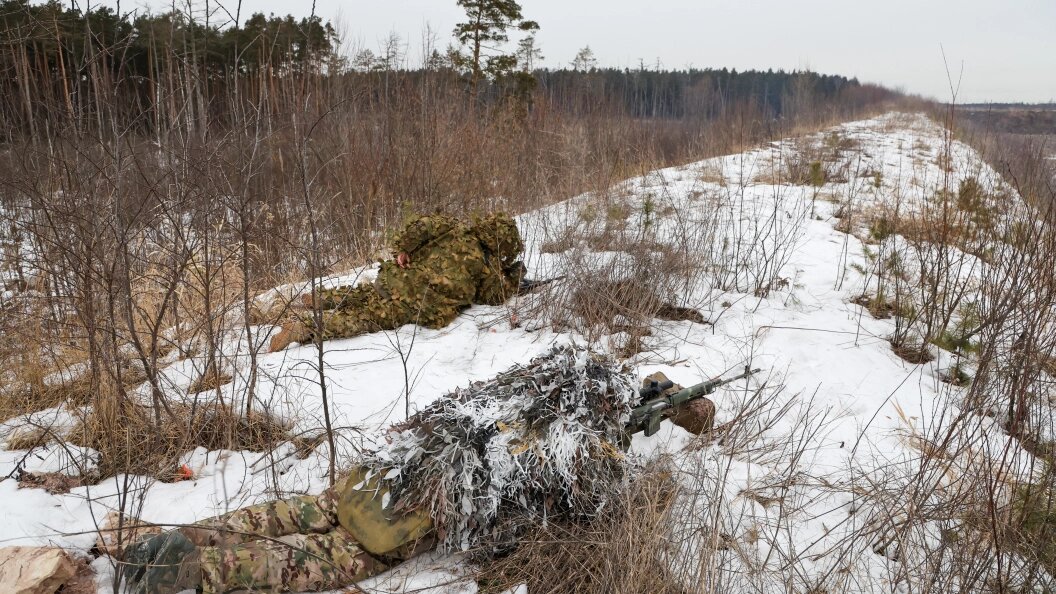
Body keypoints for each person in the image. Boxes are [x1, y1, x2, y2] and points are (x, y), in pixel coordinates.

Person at [270, 212, 526, 352]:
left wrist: (405, 249)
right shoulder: (488, 268)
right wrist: (516, 272)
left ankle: (322, 298)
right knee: (366, 318)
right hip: (419, 304)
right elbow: (494, 296)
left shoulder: (453, 227)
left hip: (397, 278)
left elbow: (423, 224)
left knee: (370, 293)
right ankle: (304, 328)